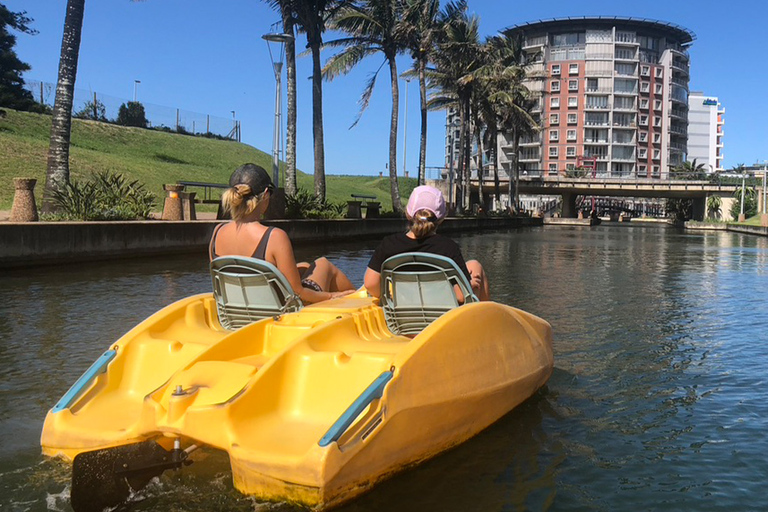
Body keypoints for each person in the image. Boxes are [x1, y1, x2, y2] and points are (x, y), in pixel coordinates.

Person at [209, 163, 355, 303]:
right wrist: (332, 296)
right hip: (276, 312)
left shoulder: (217, 232)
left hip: (241, 308)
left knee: (303, 266)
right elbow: (298, 293)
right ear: (266, 194)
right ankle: (359, 302)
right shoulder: (273, 236)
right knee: (323, 264)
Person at [364, 185, 490, 301]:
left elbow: (370, 284)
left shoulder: (389, 244)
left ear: (408, 214)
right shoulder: (448, 248)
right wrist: (469, 285)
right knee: (474, 266)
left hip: (402, 312)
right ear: (441, 218)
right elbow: (461, 296)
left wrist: (390, 296)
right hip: (441, 317)